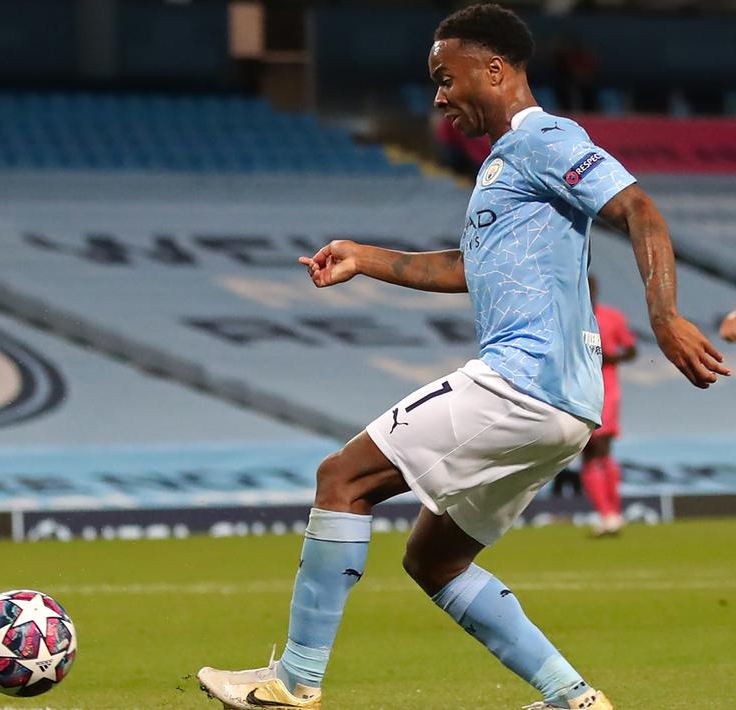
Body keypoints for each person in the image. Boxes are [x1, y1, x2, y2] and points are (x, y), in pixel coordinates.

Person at [195, 5, 728, 710]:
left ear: (494, 69)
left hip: (522, 383)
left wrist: (664, 317)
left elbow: (639, 210)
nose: (439, 97)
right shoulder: (503, 163)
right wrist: (364, 257)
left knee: (341, 478)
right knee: (434, 559)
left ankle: (293, 681)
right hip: (565, 407)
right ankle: (570, 697)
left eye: (446, 79)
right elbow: (468, 268)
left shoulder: (545, 139)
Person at [581, 276, 636, 537]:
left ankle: (612, 513)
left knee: (601, 449)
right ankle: (607, 515)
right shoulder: (570, 318)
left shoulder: (611, 317)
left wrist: (611, 357)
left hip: (606, 391)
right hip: (577, 391)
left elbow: (632, 350)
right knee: (587, 453)